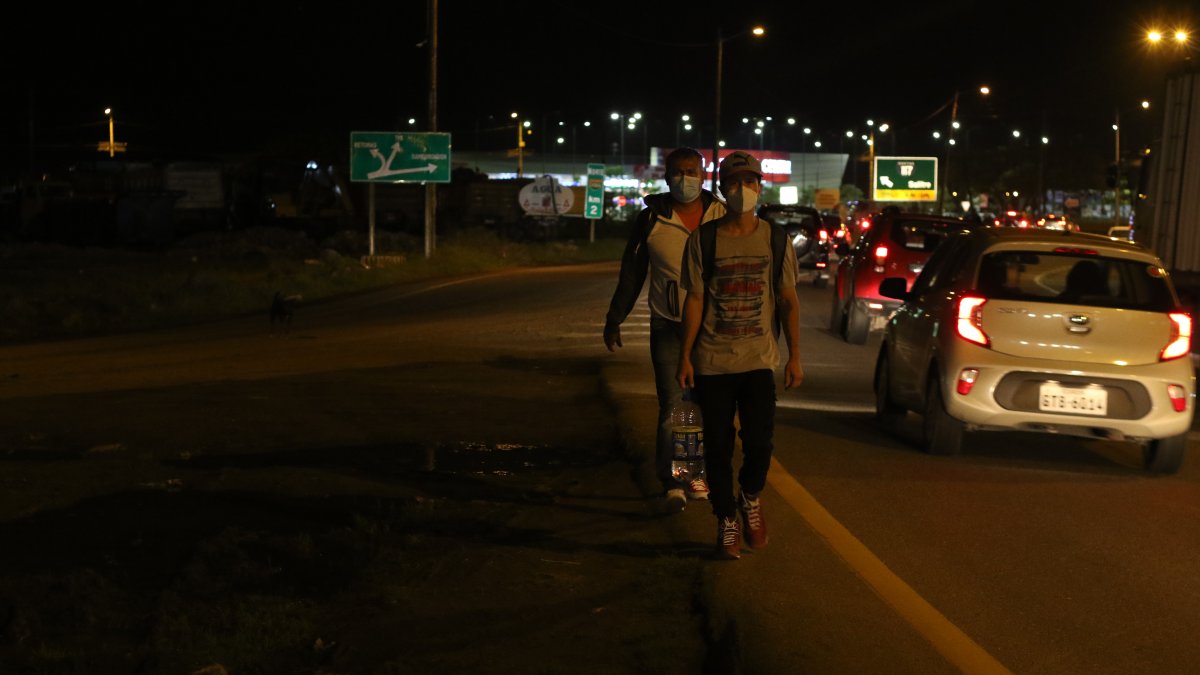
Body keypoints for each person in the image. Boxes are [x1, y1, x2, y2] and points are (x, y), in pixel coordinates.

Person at [676, 150, 803, 560]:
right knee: (716, 447)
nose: (741, 189)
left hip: (759, 360)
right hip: (712, 361)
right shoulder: (703, 240)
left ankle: (750, 497)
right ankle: (726, 518)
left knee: (760, 444)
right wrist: (685, 356)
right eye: (733, 183)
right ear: (722, 189)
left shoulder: (776, 239)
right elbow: (695, 300)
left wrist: (795, 356)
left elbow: (788, 300)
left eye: (749, 182)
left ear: (760, 188)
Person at [604, 147, 726, 513]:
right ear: (666, 175)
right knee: (674, 405)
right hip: (667, 325)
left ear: (703, 175)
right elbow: (632, 271)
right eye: (677, 171)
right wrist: (615, 317)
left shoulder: (722, 215)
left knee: (703, 407)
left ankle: (695, 474)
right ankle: (673, 482)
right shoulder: (651, 219)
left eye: (692, 171)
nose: (684, 178)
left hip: (713, 328)